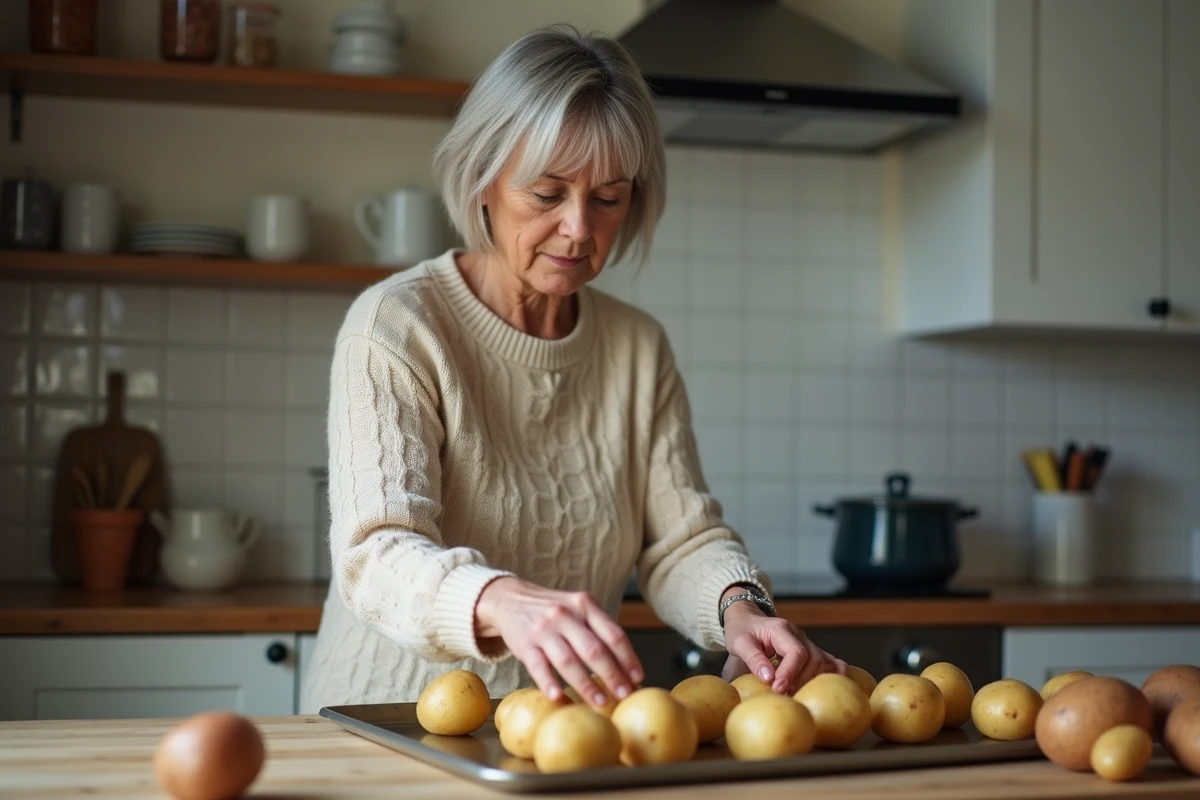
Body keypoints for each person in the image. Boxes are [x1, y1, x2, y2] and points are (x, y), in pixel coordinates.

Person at [301, 24, 845, 714]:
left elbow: (682, 541)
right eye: (548, 193)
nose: (580, 228)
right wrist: (500, 600)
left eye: (608, 198)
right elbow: (376, 556)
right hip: (387, 725)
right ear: (484, 180)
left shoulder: (637, 348)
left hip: (560, 742)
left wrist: (741, 607)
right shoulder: (398, 326)